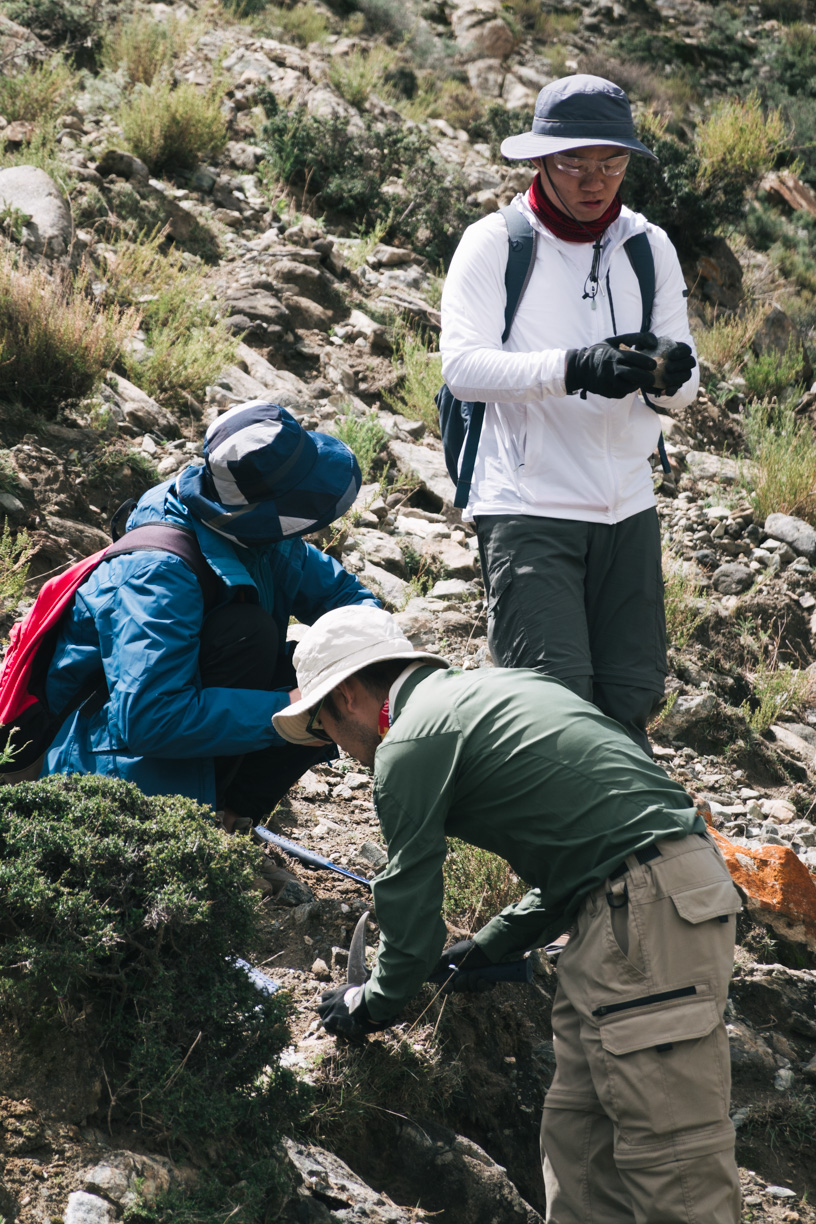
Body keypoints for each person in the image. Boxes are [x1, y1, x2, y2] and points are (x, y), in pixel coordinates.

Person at [273, 605, 742, 1224]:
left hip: (644, 915)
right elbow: (595, 843)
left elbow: (410, 910)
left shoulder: (408, 745)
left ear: (350, 695)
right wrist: (492, 944)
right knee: (579, 1146)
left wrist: (374, 1002)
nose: (332, 748)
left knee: (674, 1162)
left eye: (322, 725)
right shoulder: (503, 687)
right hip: (643, 903)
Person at [440, 74, 699, 755]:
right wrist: (574, 368)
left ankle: (634, 862)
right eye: (575, 164)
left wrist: (669, 375)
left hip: (628, 508)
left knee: (630, 704)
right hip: (529, 506)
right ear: (538, 161)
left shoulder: (648, 247)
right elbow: (462, 369)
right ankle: (558, 863)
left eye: (611, 164)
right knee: (553, 711)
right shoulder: (495, 243)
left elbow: (680, 394)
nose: (595, 181)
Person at [42, 400, 380, 830]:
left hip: (171, 718)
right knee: (257, 640)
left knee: (330, 671)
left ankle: (232, 816)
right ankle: (187, 822)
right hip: (99, 765)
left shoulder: (253, 528)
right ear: (259, 512)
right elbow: (149, 718)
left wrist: (373, 653)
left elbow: (343, 595)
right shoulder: (157, 572)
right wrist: (290, 709)